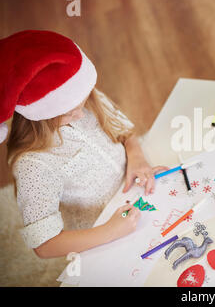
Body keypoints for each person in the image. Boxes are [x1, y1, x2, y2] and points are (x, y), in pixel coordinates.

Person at [0, 30, 167, 258]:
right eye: (70, 113)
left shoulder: (87, 98)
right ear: (40, 112)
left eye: (83, 102)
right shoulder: (33, 165)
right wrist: (110, 231)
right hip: (98, 236)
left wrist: (136, 156)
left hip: (134, 200)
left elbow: (124, 131)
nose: (81, 114)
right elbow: (44, 245)